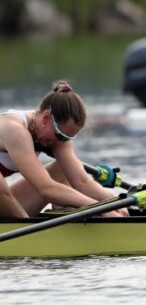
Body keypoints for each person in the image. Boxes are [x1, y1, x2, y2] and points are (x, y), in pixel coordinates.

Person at [0, 81, 126, 218]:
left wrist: (117, 204)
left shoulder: (56, 135)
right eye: (60, 135)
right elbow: (46, 189)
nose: (61, 142)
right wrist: (100, 209)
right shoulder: (14, 130)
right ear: (46, 118)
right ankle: (26, 232)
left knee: (63, 169)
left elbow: (82, 182)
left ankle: (64, 217)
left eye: (66, 138)